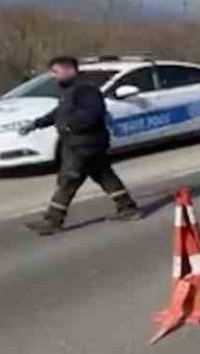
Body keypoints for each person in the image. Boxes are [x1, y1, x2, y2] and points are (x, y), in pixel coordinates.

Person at [21, 56, 139, 234]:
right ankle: (128, 208)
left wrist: (69, 127)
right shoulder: (69, 90)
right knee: (104, 175)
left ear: (69, 70)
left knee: (69, 180)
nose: (53, 76)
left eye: (55, 71)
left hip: (84, 143)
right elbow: (59, 112)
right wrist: (37, 124)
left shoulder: (85, 89)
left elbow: (93, 113)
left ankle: (53, 220)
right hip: (83, 143)